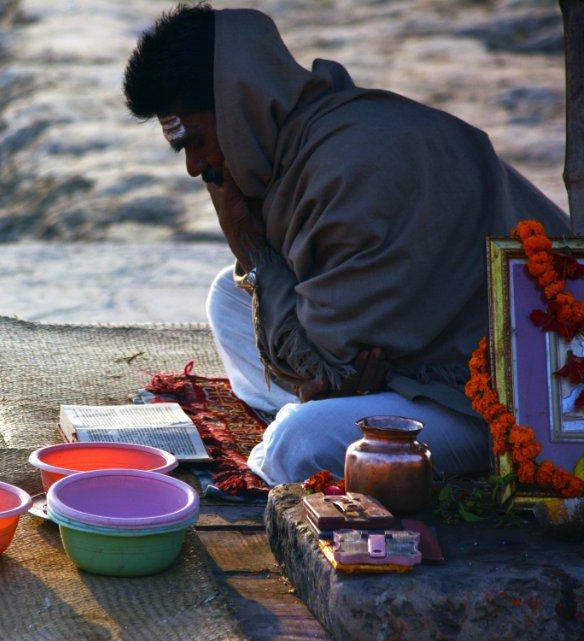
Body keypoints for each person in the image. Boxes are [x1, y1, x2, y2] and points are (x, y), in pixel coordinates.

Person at [122, 2, 570, 485]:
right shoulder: (303, 139)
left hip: (501, 403)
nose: (194, 166)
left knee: (296, 444)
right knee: (229, 296)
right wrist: (334, 377)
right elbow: (339, 367)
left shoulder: (344, 169)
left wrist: (250, 250)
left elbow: (333, 371)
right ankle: (315, 412)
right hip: (406, 363)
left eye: (195, 141)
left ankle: (271, 459)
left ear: (238, 108)